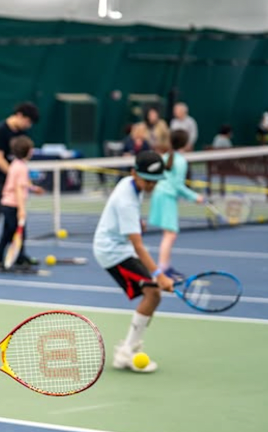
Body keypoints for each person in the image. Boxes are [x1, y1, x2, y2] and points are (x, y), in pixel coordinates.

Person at [93, 151, 174, 373]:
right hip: (112, 251)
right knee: (154, 293)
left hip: (121, 246)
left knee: (152, 294)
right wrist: (159, 275)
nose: (151, 186)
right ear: (134, 173)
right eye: (148, 181)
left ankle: (130, 347)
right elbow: (138, 245)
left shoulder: (132, 184)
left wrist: (136, 223)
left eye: (155, 181)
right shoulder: (126, 200)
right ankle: (126, 352)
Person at [0, 102, 39, 264]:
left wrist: (24, 181)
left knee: (14, 220)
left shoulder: (22, 133)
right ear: (20, 115)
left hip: (11, 181)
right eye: (27, 121)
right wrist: (14, 175)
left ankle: (18, 255)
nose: (28, 125)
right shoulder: (0, 130)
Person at [148, 130, 205, 281]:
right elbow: (178, 186)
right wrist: (195, 197)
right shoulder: (180, 161)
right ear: (186, 144)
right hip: (166, 198)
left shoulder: (166, 157)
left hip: (159, 195)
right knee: (170, 234)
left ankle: (166, 265)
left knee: (168, 233)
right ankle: (162, 269)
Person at [0, 136, 44, 270]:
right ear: (27, 151)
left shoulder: (16, 165)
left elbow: (22, 184)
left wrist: (34, 188)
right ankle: (19, 259)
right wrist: (21, 210)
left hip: (6, 204)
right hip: (13, 205)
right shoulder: (21, 168)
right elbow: (18, 188)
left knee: (6, 234)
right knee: (19, 234)